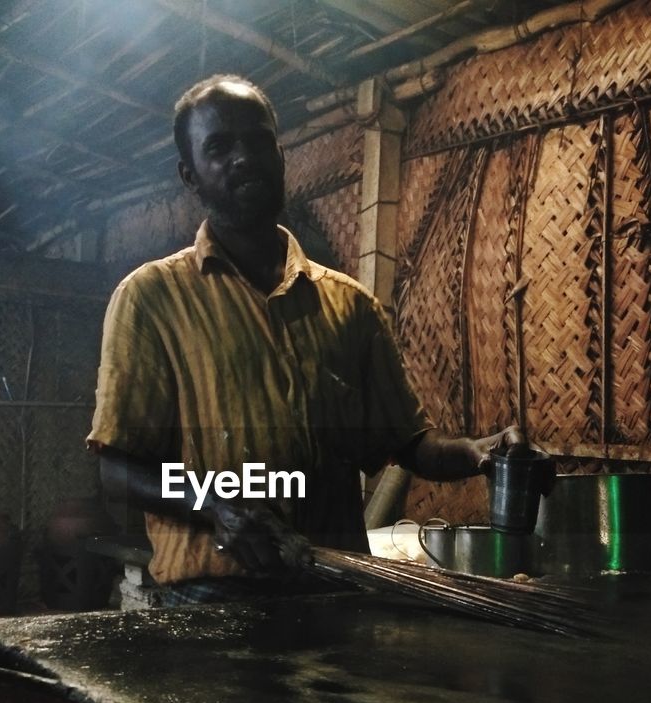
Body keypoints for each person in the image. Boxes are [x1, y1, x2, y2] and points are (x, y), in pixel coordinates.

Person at [87, 74, 523, 605]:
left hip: (336, 596)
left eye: (257, 139)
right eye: (219, 147)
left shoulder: (349, 305)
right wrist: (218, 508)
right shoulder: (152, 298)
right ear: (190, 175)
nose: (243, 157)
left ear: (279, 153)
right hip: (212, 602)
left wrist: (481, 453)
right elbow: (117, 468)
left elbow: (409, 443)